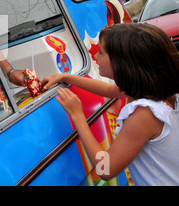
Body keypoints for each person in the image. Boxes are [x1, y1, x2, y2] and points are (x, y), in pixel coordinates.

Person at [41, 23, 179, 185]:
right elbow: (108, 89)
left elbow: (106, 169)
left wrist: (78, 116)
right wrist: (66, 77)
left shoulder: (144, 114)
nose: (95, 57)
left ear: (122, 63)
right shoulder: (156, 90)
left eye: (101, 52)